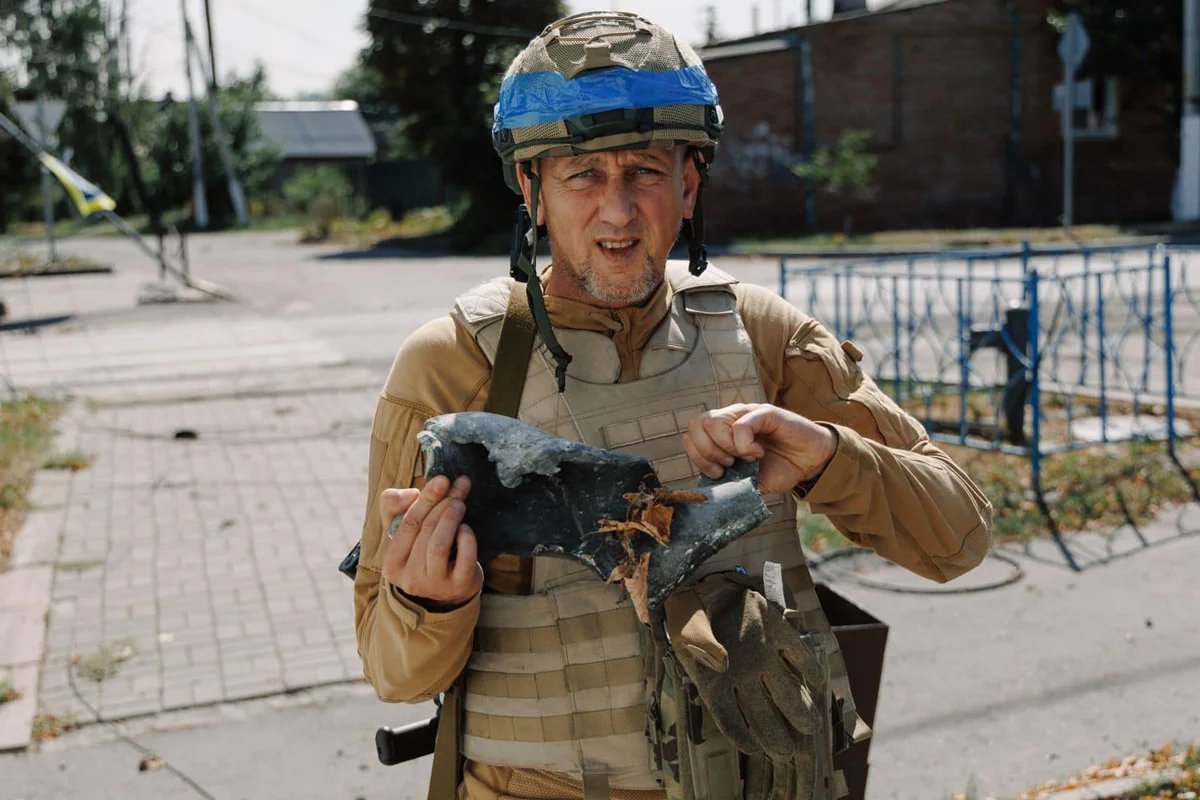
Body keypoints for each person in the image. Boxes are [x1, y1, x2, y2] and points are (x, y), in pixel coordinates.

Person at [353, 11, 992, 800]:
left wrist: (829, 455)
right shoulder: (452, 365)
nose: (618, 212)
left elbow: (959, 540)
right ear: (533, 191)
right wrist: (427, 600)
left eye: (646, 173)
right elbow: (391, 670)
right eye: (582, 176)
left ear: (688, 185)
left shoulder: (766, 336)